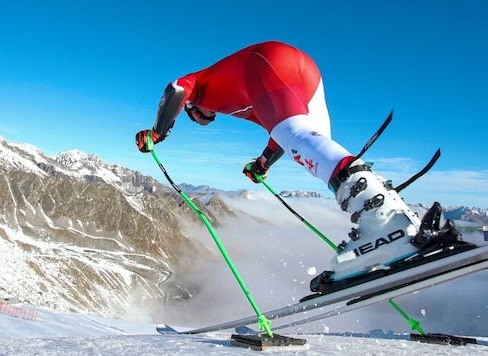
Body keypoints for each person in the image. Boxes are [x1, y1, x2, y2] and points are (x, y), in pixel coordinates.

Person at [135, 41, 454, 282]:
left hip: (267, 62)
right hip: (302, 72)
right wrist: (262, 164)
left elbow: (175, 88)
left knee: (298, 135)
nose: (207, 121)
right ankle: (392, 217)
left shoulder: (200, 87)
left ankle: (385, 219)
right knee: (318, 150)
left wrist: (157, 132)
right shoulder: (246, 105)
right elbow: (281, 137)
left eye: (199, 119)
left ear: (192, 110)